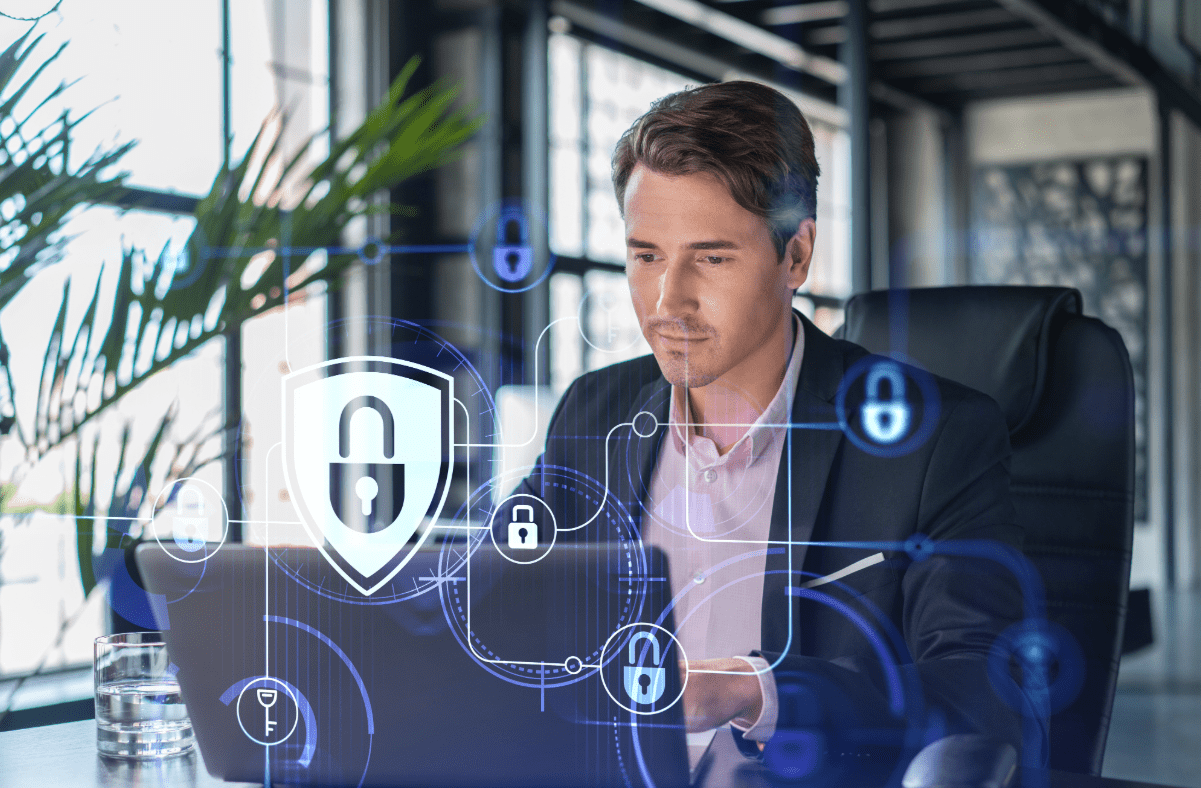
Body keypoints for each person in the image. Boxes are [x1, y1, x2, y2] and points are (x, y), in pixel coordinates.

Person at [510, 80, 1035, 768]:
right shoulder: (595, 410)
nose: (669, 300)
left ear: (795, 256)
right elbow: (497, 595)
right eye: (646, 256)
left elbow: (983, 688)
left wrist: (755, 692)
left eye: (710, 257)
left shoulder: (936, 440)